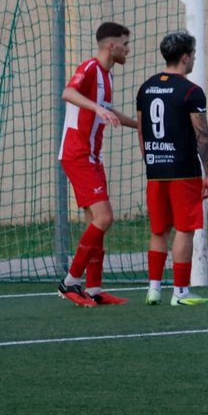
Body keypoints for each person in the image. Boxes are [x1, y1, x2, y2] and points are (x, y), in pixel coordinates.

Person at [57, 21, 139, 307]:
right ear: (111, 45)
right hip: (77, 154)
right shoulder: (90, 67)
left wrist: (137, 125)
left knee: (96, 223)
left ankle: (93, 288)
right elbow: (68, 93)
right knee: (105, 218)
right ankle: (69, 282)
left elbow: (106, 108)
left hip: (92, 156)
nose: (128, 49)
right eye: (125, 44)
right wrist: (96, 108)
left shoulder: (107, 75)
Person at [137, 32, 208, 306]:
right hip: (183, 170)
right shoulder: (191, 91)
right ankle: (180, 292)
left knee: (159, 230)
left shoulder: (146, 88)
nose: (194, 59)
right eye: (193, 54)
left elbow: (142, 130)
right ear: (184, 57)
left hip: (155, 170)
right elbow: (202, 135)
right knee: (184, 229)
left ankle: (154, 289)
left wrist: (151, 160)